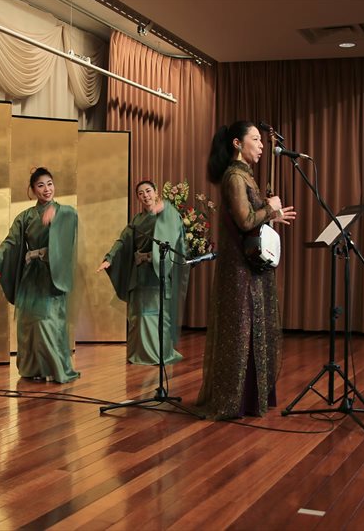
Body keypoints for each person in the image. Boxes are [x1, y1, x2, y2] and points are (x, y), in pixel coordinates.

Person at [196, 121, 296, 419]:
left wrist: (269, 214)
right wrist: (271, 210)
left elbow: (252, 218)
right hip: (239, 266)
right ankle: (234, 400)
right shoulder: (234, 176)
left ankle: (250, 399)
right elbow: (244, 220)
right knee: (241, 330)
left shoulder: (246, 176)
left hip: (250, 265)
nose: (262, 145)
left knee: (253, 327)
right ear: (238, 144)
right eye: (256, 139)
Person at [0, 167, 80, 383]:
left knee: (49, 323)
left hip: (52, 277)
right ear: (32, 190)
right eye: (41, 185)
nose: (47, 189)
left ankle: (56, 368)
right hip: (31, 277)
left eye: (50, 184)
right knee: (28, 324)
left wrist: (58, 215)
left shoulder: (65, 211)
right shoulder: (25, 217)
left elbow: (71, 217)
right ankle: (33, 368)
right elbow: (11, 242)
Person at [97, 180, 188, 365]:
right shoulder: (136, 221)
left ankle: (160, 354)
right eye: (140, 193)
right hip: (139, 276)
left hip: (157, 274)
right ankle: (139, 354)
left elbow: (177, 229)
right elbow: (122, 240)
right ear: (138, 198)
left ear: (156, 192)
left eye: (148, 191)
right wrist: (109, 258)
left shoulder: (167, 214)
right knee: (138, 316)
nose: (145, 195)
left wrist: (167, 209)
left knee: (158, 316)